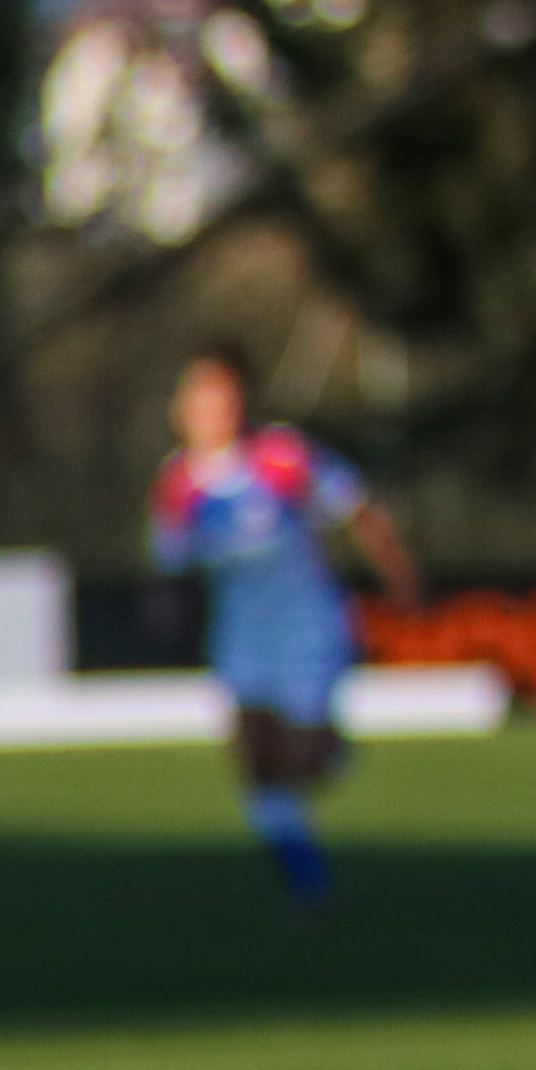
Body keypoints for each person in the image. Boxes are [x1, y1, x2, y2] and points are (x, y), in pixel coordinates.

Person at [149, 348, 418, 906]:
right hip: (241, 642)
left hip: (308, 631)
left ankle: (329, 752)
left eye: (222, 399)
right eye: (200, 401)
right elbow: (170, 566)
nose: (212, 413)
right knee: (260, 776)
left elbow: (357, 507)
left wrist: (397, 573)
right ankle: (309, 884)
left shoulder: (282, 457)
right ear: (182, 412)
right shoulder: (179, 485)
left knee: (302, 760)